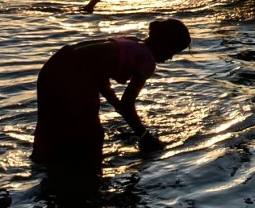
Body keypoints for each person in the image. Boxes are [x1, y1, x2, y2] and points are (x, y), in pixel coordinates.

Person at [31, 18, 190, 167]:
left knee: (50, 123)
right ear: (165, 45)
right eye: (173, 51)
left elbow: (99, 76)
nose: (170, 57)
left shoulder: (131, 42)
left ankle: (44, 164)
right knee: (91, 137)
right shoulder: (146, 60)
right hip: (74, 75)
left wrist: (117, 105)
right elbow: (127, 104)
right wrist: (145, 136)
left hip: (53, 67)